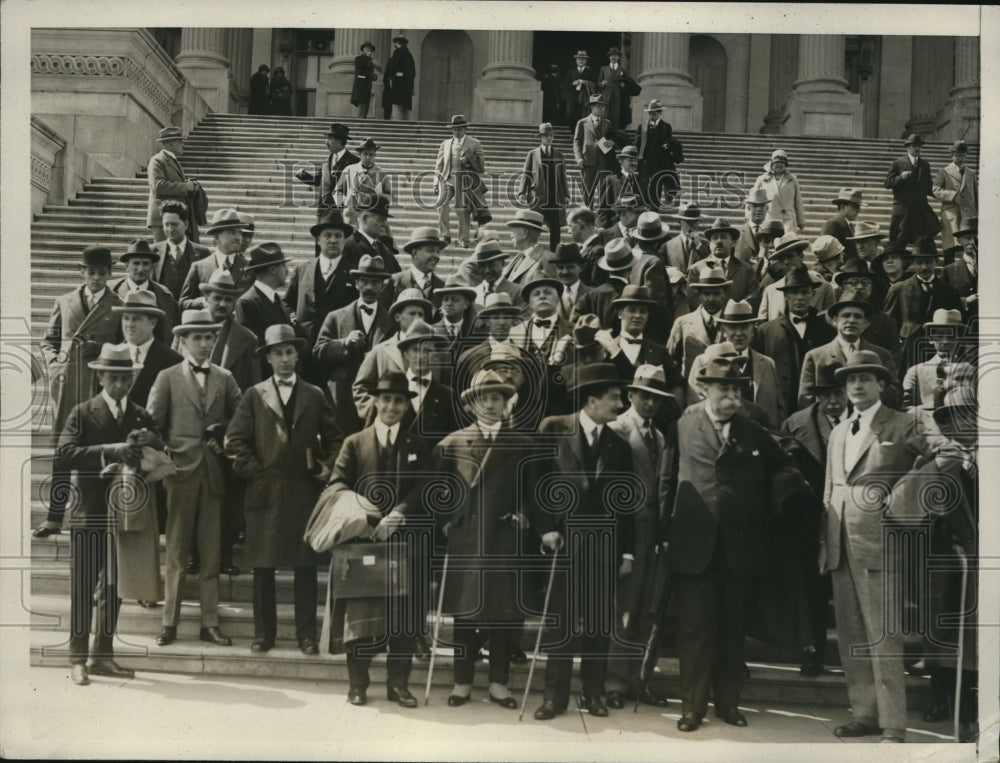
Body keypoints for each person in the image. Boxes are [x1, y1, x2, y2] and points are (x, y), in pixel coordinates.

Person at [668, 353, 807, 732]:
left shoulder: (752, 430)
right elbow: (668, 477)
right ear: (704, 388)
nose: (730, 395)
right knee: (695, 630)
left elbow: (785, 464)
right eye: (723, 387)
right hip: (693, 546)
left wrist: (775, 499)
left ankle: (728, 703)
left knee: (732, 629)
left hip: (739, 548)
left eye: (736, 388)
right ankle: (692, 708)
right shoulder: (683, 423)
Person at [821, 351, 928, 744]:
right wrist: (824, 542)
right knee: (851, 635)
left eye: (866, 378)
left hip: (881, 543)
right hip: (840, 544)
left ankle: (893, 725)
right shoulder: (838, 431)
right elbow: (830, 489)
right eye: (851, 380)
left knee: (884, 637)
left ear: (882, 385)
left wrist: (903, 497)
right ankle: (864, 714)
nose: (857, 385)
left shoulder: (903, 423)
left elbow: (942, 458)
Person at [224, 324, 341, 656]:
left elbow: (335, 439)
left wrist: (325, 468)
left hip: (303, 491)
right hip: (265, 490)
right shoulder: (253, 395)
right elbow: (234, 442)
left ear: (297, 355)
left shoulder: (315, 394)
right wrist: (256, 473)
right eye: (278, 353)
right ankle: (264, 634)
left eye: (290, 352)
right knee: (263, 566)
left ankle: (306, 635)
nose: (285, 359)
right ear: (269, 358)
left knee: (304, 565)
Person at [323, 371, 432, 707]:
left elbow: (425, 487)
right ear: (375, 401)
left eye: (399, 400)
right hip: (364, 543)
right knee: (362, 620)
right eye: (385, 399)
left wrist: (400, 512)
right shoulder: (354, 442)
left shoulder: (419, 444)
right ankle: (358, 685)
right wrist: (366, 516)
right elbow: (337, 485)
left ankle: (398, 685)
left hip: (405, 543)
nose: (391, 406)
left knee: (402, 620)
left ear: (406, 405)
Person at [532, 363, 635, 721]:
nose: (620, 404)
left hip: (603, 547)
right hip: (563, 544)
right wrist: (545, 527)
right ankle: (554, 698)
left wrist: (627, 551)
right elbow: (536, 483)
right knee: (561, 624)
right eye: (614, 398)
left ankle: (593, 694)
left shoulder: (619, 445)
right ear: (592, 400)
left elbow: (627, 503)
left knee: (596, 624)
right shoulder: (554, 428)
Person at [58, 343, 165, 685]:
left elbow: (157, 455)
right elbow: (65, 453)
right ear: (100, 377)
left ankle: (102, 656)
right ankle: (77, 657)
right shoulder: (82, 412)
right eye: (112, 378)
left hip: (126, 514)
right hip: (90, 512)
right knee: (84, 586)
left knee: (114, 586)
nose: (119, 384)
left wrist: (155, 443)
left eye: (125, 378)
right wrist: (110, 451)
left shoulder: (139, 415)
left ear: (132, 379)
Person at [434, 369, 538, 711]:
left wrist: (524, 514)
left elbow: (533, 492)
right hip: (468, 539)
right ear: (471, 405)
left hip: (505, 538)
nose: (491, 404)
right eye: (484, 398)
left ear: (506, 403)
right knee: (465, 613)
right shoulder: (451, 444)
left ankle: (498, 684)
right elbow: (439, 493)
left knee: (504, 614)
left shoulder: (523, 445)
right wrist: (449, 522)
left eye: (497, 398)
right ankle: (462, 682)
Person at [147, 309, 243, 648]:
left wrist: (224, 435)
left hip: (214, 472)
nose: (203, 344)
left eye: (208, 337)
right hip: (180, 472)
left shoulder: (226, 377)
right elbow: (152, 425)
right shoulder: (167, 376)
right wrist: (166, 458)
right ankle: (168, 622)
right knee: (175, 550)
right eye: (196, 338)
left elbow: (241, 417)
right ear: (183, 340)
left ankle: (210, 622)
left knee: (211, 551)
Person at [35, 245, 124, 538]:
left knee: (95, 452)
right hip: (68, 383)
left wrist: (102, 350)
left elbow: (126, 346)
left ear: (110, 274)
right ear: (81, 272)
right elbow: (49, 340)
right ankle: (53, 518)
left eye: (102, 273)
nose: (96, 278)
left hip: (99, 385)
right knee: (63, 452)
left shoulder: (118, 303)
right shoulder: (64, 300)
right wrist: (57, 364)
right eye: (91, 272)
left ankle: (89, 518)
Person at [604, 365, 676, 708]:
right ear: (630, 395)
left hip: (652, 536)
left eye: (656, 398)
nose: (650, 403)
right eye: (644, 395)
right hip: (627, 533)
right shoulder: (617, 429)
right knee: (624, 608)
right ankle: (613, 681)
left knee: (646, 609)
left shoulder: (659, 436)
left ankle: (637, 678)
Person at [778, 363, 845, 676]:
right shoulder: (796, 423)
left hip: (848, 518)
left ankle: (854, 657)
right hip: (808, 521)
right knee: (812, 589)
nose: (833, 401)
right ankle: (813, 650)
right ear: (816, 396)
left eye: (838, 393)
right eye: (826, 394)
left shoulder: (861, 423)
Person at [314, 254, 395, 436]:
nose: (369, 287)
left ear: (383, 286)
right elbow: (318, 352)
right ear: (357, 284)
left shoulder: (390, 320)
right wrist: (344, 343)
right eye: (364, 281)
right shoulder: (336, 317)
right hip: (341, 399)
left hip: (375, 400)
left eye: (375, 282)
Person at [752, 265, 836, 420]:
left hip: (815, 409)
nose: (799, 297)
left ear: (813, 295)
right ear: (785, 296)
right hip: (779, 408)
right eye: (794, 292)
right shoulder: (766, 332)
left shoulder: (828, 332)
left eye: (804, 292)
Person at [690, 300, 784, 426]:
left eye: (744, 327)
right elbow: (695, 407)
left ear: (753, 331)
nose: (739, 333)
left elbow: (779, 410)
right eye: (733, 328)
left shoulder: (767, 364)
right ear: (723, 330)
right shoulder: (704, 362)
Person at [798, 294, 900, 409]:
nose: (851, 320)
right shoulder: (816, 356)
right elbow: (805, 400)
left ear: (866, 323)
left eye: (857, 317)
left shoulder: (882, 355)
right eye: (845, 316)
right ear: (835, 321)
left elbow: (894, 397)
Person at [351, 287, 434, 422]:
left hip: (423, 424)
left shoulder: (432, 353)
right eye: (412, 313)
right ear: (397, 317)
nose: (417, 318)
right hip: (388, 423)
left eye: (421, 314)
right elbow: (360, 387)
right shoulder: (380, 351)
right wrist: (375, 410)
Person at [883, 236, 962, 369]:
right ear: (912, 263)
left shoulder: (948, 290)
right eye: (919, 262)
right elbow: (887, 323)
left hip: (939, 351)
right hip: (908, 352)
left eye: (928, 262)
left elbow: (958, 324)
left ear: (936, 261)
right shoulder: (899, 289)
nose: (924, 267)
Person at [284, 210, 359, 349]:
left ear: (344, 240)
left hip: (338, 346)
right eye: (327, 235)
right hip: (304, 345)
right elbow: (287, 302)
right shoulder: (302, 270)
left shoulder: (354, 273)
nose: (333, 240)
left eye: (338, 236)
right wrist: (293, 318)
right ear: (318, 240)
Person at [178, 208, 255, 310]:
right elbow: (183, 302)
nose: (238, 237)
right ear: (216, 237)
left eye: (239, 232)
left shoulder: (250, 267)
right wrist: (203, 302)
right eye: (232, 232)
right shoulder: (199, 267)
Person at [901, 309, 975, 410]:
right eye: (939, 336)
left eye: (951, 336)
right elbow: (905, 408)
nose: (945, 341)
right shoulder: (916, 372)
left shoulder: (973, 371)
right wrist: (936, 404)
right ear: (931, 339)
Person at [233, 242, 296, 361]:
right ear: (273, 269)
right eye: (284, 266)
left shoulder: (277, 300)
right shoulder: (246, 303)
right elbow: (251, 349)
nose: (287, 271)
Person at [108, 239, 180, 343]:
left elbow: (173, 336)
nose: (141, 269)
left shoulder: (165, 296)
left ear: (152, 267)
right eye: (136, 263)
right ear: (127, 266)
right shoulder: (111, 292)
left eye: (145, 264)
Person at [667, 263, 728, 379]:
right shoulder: (682, 323)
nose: (711, 299)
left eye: (716, 293)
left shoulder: (733, 325)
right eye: (706, 293)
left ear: (724, 294)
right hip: (692, 393)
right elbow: (670, 364)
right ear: (699, 295)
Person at [755, 234, 835, 321]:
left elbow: (832, 323)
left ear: (801, 256)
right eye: (781, 258)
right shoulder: (770, 291)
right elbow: (762, 327)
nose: (786, 262)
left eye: (790, 256)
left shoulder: (825, 288)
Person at [434, 115, 486, 249]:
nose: (456, 132)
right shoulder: (445, 144)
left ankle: (464, 239)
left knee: (462, 209)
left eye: (459, 129)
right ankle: (445, 235)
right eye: (454, 129)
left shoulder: (475, 143)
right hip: (447, 179)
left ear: (465, 129)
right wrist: (436, 183)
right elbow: (439, 165)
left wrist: (469, 159)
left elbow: (481, 167)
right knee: (441, 205)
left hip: (464, 181)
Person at [519, 122, 569, 251]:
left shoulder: (559, 155)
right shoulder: (533, 154)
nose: (549, 138)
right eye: (546, 136)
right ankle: (529, 251)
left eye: (551, 135)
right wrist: (522, 192)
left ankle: (555, 253)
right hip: (538, 197)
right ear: (541, 137)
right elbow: (526, 173)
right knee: (533, 226)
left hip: (554, 196)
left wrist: (566, 195)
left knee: (556, 229)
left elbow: (563, 177)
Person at [146, 127, 202, 243]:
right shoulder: (157, 160)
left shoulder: (173, 161)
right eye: (180, 142)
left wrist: (189, 185)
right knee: (164, 255)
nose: (183, 144)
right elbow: (158, 186)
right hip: (162, 219)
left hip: (173, 216)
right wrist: (186, 187)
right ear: (170, 145)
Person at [686, 217, 759, 305]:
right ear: (709, 243)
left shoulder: (746, 270)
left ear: (733, 243)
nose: (719, 241)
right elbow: (693, 301)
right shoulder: (696, 269)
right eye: (715, 237)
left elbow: (752, 298)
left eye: (724, 237)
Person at [295, 123, 359, 215]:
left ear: (339, 141)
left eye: (329, 139)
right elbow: (317, 180)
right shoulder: (328, 161)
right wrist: (303, 175)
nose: (326, 142)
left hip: (341, 212)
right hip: (324, 210)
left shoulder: (354, 161)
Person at [884, 133, 937, 244]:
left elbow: (929, 186)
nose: (917, 148)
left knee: (922, 242)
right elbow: (888, 183)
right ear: (907, 147)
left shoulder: (925, 165)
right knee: (899, 242)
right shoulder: (897, 163)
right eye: (914, 146)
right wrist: (901, 178)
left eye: (919, 146)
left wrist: (939, 193)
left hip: (920, 210)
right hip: (903, 209)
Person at [152, 201, 211, 299]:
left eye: (175, 224)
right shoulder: (152, 252)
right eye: (166, 224)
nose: (170, 229)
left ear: (186, 224)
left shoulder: (203, 253)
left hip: (192, 311)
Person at [573, 95, 624, 210]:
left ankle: (602, 213)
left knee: (604, 189)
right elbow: (577, 142)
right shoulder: (582, 123)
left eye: (604, 107)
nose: (602, 109)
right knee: (588, 189)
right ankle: (588, 211)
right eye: (599, 106)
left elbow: (613, 139)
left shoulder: (607, 123)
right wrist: (579, 158)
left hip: (604, 161)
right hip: (588, 160)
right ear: (592, 107)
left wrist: (612, 142)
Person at [336, 138, 393, 229]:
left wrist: (378, 199)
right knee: (350, 239)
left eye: (371, 154)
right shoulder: (349, 169)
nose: (368, 157)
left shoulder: (381, 173)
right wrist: (343, 203)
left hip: (370, 215)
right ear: (360, 154)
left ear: (375, 155)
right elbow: (338, 190)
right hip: (351, 214)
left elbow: (389, 195)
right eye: (365, 154)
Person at [933, 141, 978, 250]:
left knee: (969, 246)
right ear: (952, 155)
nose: (960, 158)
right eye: (958, 155)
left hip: (968, 214)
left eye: (963, 155)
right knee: (950, 247)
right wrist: (952, 195)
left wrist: (977, 212)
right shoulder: (944, 171)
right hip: (952, 212)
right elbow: (935, 190)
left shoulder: (971, 173)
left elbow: (976, 196)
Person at [752, 149, 805, 235]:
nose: (779, 165)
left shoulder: (792, 179)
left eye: (782, 163)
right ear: (772, 164)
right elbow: (753, 200)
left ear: (786, 165)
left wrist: (801, 221)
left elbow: (798, 201)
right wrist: (750, 217)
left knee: (787, 243)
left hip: (788, 219)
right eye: (777, 162)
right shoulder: (762, 179)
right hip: (769, 218)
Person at [500, 209, 554, 287]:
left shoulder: (547, 259)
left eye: (514, 231)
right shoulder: (519, 257)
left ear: (525, 233)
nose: (510, 235)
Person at [547, 243, 592, 324]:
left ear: (580, 268)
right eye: (560, 268)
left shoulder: (592, 295)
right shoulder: (550, 296)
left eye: (570, 267)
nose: (564, 272)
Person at [664, 203, 709, 272]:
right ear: (679, 221)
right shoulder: (668, 246)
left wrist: (699, 246)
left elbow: (712, 264)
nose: (693, 225)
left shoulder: (706, 245)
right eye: (689, 221)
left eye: (696, 221)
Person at [820, 188, 863, 260]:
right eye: (856, 207)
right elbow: (826, 252)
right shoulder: (832, 224)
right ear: (842, 207)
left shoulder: (848, 225)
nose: (858, 211)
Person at [733, 187, 772, 263]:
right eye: (754, 206)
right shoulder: (737, 234)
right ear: (748, 208)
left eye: (762, 206)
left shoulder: (772, 233)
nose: (758, 209)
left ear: (767, 208)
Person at [597, 46, 631, 129]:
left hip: (617, 99)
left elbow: (627, 85)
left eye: (615, 55)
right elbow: (598, 83)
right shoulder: (604, 69)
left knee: (615, 120)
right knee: (604, 119)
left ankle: (614, 141)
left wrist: (624, 86)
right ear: (609, 57)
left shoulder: (623, 70)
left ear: (619, 57)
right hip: (606, 99)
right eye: (611, 55)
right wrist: (602, 83)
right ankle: (603, 141)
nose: (613, 57)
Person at [385, 36, 415, 120]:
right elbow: (413, 72)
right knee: (405, 106)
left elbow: (393, 67)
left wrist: (391, 76)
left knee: (397, 105)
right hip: (407, 83)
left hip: (398, 82)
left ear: (398, 43)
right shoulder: (409, 54)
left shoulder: (397, 52)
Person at [564, 50, 597, 124]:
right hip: (572, 97)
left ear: (586, 61)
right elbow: (565, 86)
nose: (580, 61)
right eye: (579, 59)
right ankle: (573, 133)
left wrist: (586, 82)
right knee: (570, 114)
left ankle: (582, 134)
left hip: (585, 97)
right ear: (576, 61)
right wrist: (573, 84)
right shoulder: (571, 72)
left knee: (583, 116)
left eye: (583, 59)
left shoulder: (590, 72)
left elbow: (595, 85)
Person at [351, 41, 378, 119]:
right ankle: (358, 122)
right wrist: (367, 57)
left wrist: (374, 77)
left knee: (365, 107)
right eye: (367, 49)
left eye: (370, 49)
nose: (369, 51)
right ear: (363, 50)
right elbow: (360, 66)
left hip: (367, 86)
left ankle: (362, 120)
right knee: (361, 107)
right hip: (360, 85)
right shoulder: (359, 59)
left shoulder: (370, 62)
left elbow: (369, 73)